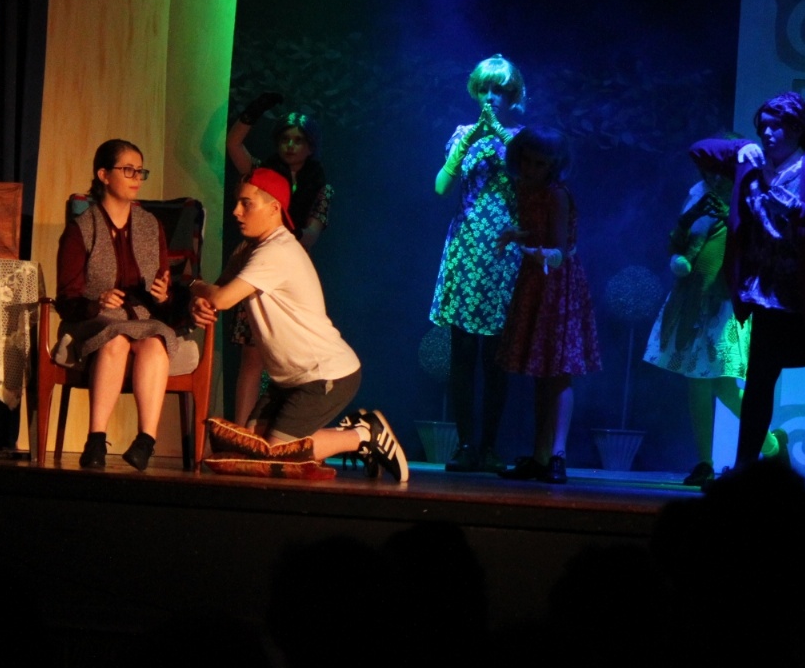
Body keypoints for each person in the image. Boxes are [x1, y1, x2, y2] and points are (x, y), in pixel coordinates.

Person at [691, 92, 805, 500]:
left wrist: (800, 211)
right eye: (762, 126)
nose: (767, 134)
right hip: (769, 296)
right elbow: (698, 150)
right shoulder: (750, 164)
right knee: (759, 385)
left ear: (797, 130)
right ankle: (744, 474)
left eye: (777, 126)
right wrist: (740, 147)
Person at [188, 168, 408, 481]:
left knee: (278, 453)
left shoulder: (276, 251)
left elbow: (221, 298)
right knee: (255, 447)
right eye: (237, 203)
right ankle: (352, 434)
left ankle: (363, 435)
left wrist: (193, 285)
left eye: (246, 204)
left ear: (273, 208)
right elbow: (218, 294)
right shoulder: (249, 250)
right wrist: (199, 302)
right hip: (289, 380)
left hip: (324, 373)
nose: (236, 211)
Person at [641, 141, 783, 488]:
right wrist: (688, 219)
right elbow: (676, 244)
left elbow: (757, 248)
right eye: (707, 171)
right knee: (697, 381)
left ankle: (772, 446)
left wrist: (731, 216)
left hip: (724, 303)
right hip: (692, 299)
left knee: (724, 386)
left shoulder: (750, 197)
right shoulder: (697, 195)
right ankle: (705, 461)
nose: (713, 178)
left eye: (719, 171)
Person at [52, 140, 183, 470]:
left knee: (155, 342)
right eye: (128, 170)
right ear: (104, 175)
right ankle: (96, 439)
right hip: (95, 317)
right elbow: (66, 299)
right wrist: (97, 302)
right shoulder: (82, 229)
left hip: (142, 317)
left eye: (140, 171)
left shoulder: (150, 226)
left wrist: (162, 296)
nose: (136, 177)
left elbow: (165, 293)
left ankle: (145, 441)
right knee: (117, 339)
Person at [429, 56, 526, 473]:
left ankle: (489, 446)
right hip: (466, 250)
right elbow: (440, 186)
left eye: (499, 90)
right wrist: (470, 140)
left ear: (512, 95)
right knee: (463, 351)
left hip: (504, 254)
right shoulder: (462, 134)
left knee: (497, 357)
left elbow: (530, 189)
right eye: (485, 89)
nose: (490, 97)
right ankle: (466, 444)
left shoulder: (522, 139)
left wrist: (500, 135)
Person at [496, 126, 602, 485]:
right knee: (541, 374)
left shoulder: (557, 194)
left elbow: (557, 252)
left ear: (553, 164)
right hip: (535, 282)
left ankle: (557, 455)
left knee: (558, 371)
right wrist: (518, 236)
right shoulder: (526, 189)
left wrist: (528, 249)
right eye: (527, 161)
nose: (531, 169)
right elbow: (535, 231)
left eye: (540, 163)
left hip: (558, 285)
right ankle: (540, 455)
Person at [224, 93, 334, 425]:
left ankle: (274, 429)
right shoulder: (263, 175)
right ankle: (240, 433)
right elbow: (233, 145)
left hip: (291, 275)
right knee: (252, 357)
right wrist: (254, 110)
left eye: (298, 140)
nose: (290, 145)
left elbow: (311, 234)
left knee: (287, 358)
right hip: (256, 266)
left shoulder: (321, 186)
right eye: (285, 139)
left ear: (310, 146)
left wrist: (280, 241)